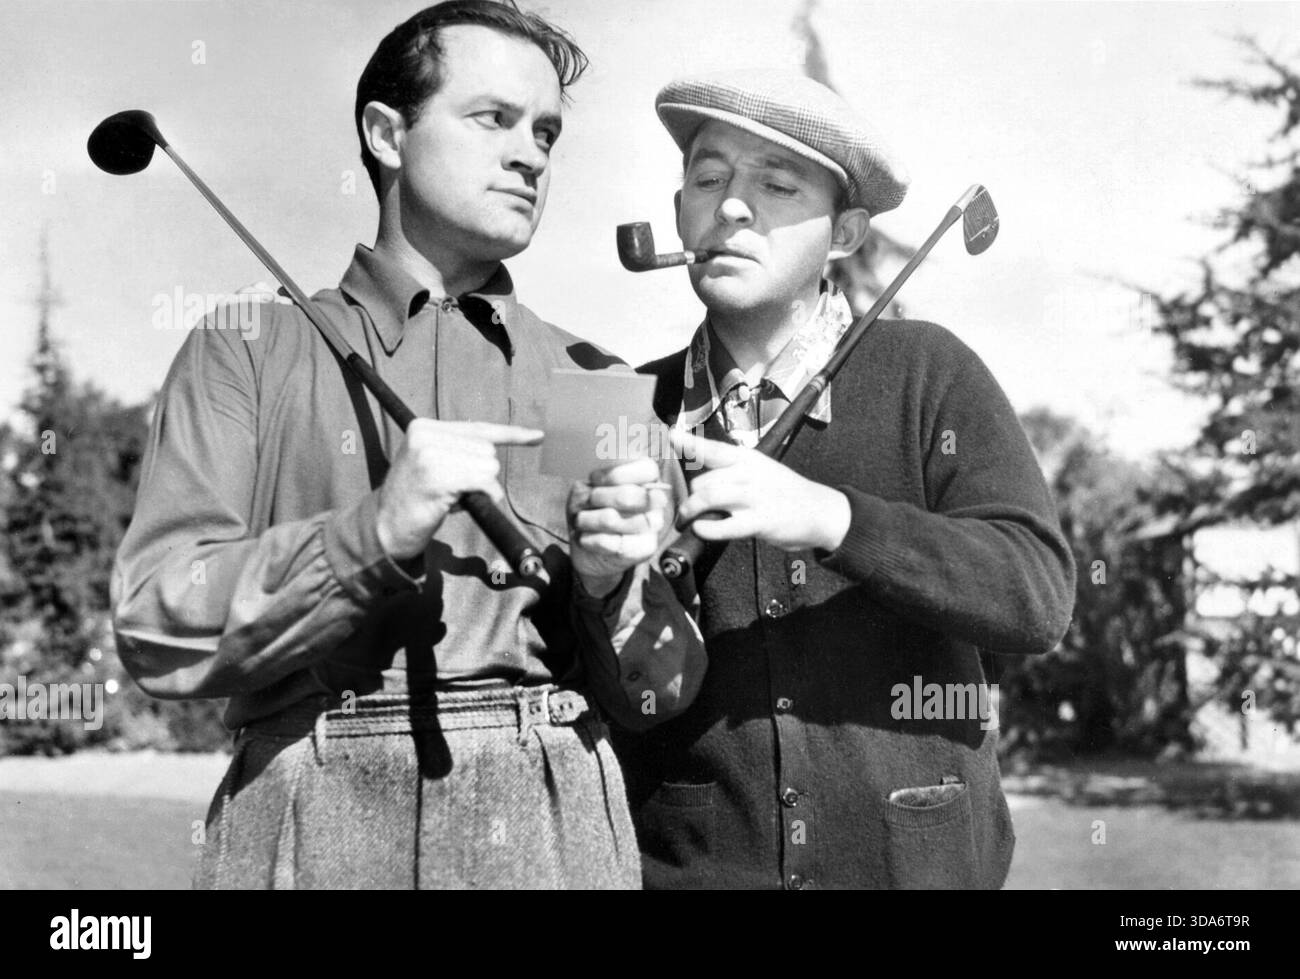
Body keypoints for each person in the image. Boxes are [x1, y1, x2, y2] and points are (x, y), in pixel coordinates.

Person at [110, 0, 704, 890]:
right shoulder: (243, 344)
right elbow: (156, 623)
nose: (530, 154)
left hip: (548, 811)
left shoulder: (594, 379)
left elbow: (660, 691)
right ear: (386, 134)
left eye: (545, 131)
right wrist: (370, 534)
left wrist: (612, 585)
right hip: (306, 805)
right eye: (492, 119)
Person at [616, 69, 1077, 889]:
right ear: (678, 206)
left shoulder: (928, 371)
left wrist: (834, 517)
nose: (729, 206)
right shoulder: (626, 403)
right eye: (708, 177)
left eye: (775, 184)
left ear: (845, 234)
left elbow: (1036, 594)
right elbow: (591, 676)